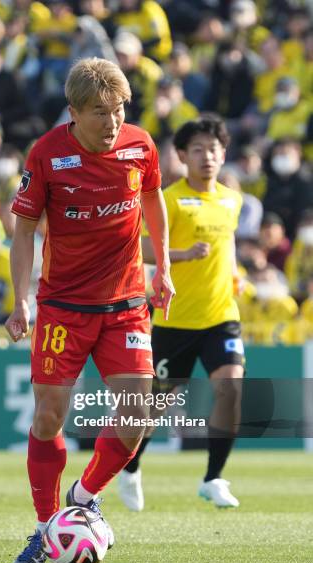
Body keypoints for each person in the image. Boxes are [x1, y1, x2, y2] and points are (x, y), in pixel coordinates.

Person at [5, 57, 174, 563]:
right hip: (63, 307)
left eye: (119, 109)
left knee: (137, 416)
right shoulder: (48, 154)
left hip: (125, 303)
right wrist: (20, 298)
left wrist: (162, 268)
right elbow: (24, 230)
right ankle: (44, 528)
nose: (112, 121)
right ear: (73, 112)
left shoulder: (140, 146)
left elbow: (153, 202)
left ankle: (83, 496)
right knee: (49, 416)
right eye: (100, 111)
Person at [118, 116, 245, 512]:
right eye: (198, 150)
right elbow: (140, 249)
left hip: (221, 315)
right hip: (173, 320)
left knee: (231, 388)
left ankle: (214, 478)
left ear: (223, 154)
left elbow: (229, 247)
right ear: (182, 156)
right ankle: (131, 466)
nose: (207, 156)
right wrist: (182, 256)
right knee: (154, 407)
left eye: (213, 149)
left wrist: (235, 274)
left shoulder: (231, 199)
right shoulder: (168, 200)